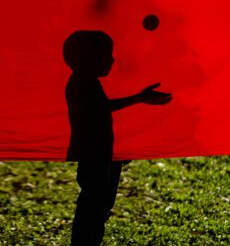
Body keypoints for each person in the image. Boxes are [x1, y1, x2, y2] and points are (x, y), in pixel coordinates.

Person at [63, 30, 172, 245]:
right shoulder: (83, 83)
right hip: (95, 153)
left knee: (98, 205)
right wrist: (141, 98)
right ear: (89, 58)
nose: (112, 59)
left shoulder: (85, 81)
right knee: (94, 206)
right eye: (105, 55)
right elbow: (103, 109)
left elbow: (102, 110)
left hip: (99, 153)